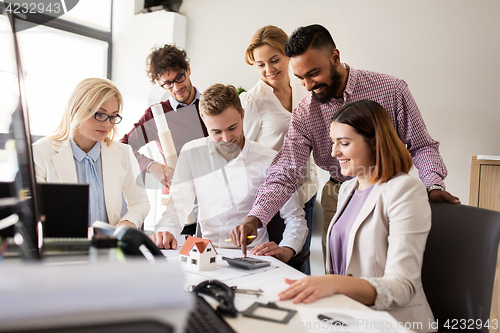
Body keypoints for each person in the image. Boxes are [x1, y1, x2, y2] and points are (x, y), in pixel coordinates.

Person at [238, 24, 460, 260]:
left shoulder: (390, 89)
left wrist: (434, 184)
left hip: (389, 192)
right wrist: (257, 215)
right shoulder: (305, 112)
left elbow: (421, 145)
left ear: (335, 57)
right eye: (300, 78)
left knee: (388, 269)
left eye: (313, 73)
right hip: (338, 195)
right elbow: (286, 170)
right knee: (340, 270)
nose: (308, 86)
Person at [278, 100, 435, 330]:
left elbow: (402, 287)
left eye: (344, 143)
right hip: (347, 317)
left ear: (374, 143)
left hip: (390, 323)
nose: (334, 152)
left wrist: (334, 284)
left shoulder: (405, 190)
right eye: (333, 142)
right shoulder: (347, 189)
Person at [150, 84, 307, 263]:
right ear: (204, 122)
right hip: (204, 255)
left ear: (242, 115)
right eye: (216, 132)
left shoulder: (269, 159)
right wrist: (166, 231)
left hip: (253, 256)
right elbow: (177, 206)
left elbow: (295, 218)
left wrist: (287, 249)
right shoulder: (191, 152)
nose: (226, 139)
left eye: (232, 128)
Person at [241, 25, 319, 274]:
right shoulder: (253, 100)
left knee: (302, 259)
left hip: (306, 190)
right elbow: (245, 154)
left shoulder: (303, 88)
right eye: (261, 64)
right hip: (273, 197)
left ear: (288, 55)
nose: (269, 69)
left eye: (274, 60)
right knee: (278, 266)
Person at [33, 78, 150, 229]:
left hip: (108, 247)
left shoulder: (123, 153)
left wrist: (126, 223)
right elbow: (33, 210)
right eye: (100, 114)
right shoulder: (41, 152)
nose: (107, 124)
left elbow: (140, 202)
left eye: (113, 116)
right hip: (64, 246)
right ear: (77, 110)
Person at [120, 44, 208, 189]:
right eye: (168, 83)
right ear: (160, 84)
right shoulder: (156, 115)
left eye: (179, 77)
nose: (177, 87)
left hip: (220, 191)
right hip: (183, 196)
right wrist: (152, 166)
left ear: (188, 69)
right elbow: (123, 147)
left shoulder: (212, 103)